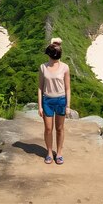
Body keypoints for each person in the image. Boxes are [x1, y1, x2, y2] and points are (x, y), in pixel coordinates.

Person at [38, 37, 71, 165]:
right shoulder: (43, 67)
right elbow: (40, 88)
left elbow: (68, 88)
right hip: (47, 101)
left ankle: (60, 153)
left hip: (61, 100)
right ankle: (49, 152)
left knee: (60, 128)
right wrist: (40, 106)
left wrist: (68, 105)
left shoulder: (65, 67)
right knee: (48, 129)